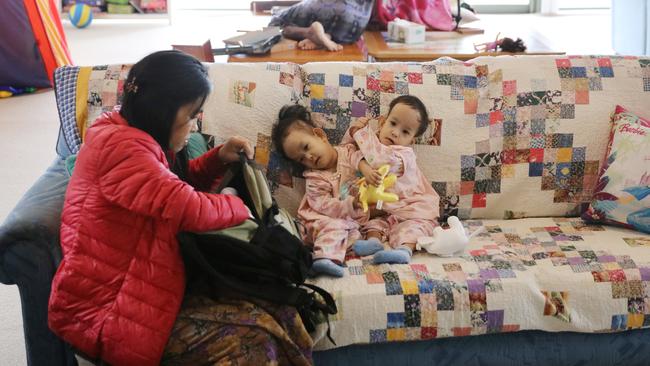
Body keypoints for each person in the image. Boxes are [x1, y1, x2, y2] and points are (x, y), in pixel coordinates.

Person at [47, 50, 312, 365]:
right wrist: (239, 206)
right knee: (255, 338)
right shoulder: (121, 150)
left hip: (142, 286)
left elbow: (169, 185)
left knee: (283, 308)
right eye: (191, 115)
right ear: (162, 112)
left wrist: (217, 158)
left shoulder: (130, 133)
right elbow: (187, 205)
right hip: (109, 313)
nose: (194, 124)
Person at [342, 95, 440, 265]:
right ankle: (374, 243)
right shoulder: (371, 147)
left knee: (413, 229)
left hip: (411, 208)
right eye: (393, 124)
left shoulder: (404, 156)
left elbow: (380, 160)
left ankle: (405, 250)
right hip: (384, 210)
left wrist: (359, 133)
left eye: (405, 132)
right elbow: (349, 154)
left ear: (411, 141)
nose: (395, 133)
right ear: (382, 123)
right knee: (373, 224)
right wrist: (364, 167)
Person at [268, 0, 375, 51]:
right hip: (354, 25)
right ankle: (327, 36)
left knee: (275, 24)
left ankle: (308, 32)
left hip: (323, 8)